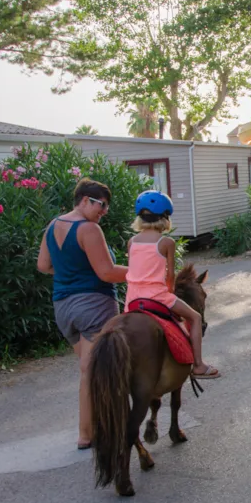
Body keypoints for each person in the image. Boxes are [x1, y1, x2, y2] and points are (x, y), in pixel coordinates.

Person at [37, 178, 128, 450]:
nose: (104, 212)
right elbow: (107, 272)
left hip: (64, 309)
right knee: (92, 371)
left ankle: (95, 426)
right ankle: (87, 434)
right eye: (102, 205)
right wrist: (145, 271)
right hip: (93, 306)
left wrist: (72, 275)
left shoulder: (52, 226)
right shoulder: (88, 229)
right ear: (85, 200)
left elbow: (43, 265)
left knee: (92, 368)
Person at [126, 190, 219, 379]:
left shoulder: (131, 241)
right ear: (165, 218)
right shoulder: (166, 242)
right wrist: (170, 292)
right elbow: (169, 277)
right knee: (194, 317)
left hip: (132, 298)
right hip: (156, 297)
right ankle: (199, 365)